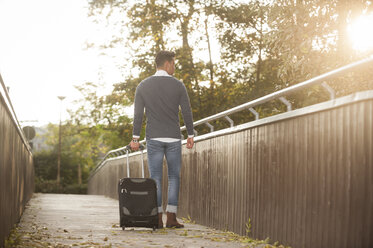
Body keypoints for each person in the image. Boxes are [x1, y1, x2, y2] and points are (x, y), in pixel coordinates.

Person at [130, 50, 194, 228]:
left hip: (154, 138)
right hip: (173, 137)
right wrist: (190, 134)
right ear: (167, 64)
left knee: (155, 178)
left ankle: (157, 217)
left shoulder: (143, 85)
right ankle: (171, 218)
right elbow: (186, 111)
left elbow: (138, 114)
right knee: (174, 177)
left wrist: (135, 138)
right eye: (173, 63)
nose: (174, 66)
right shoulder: (178, 85)